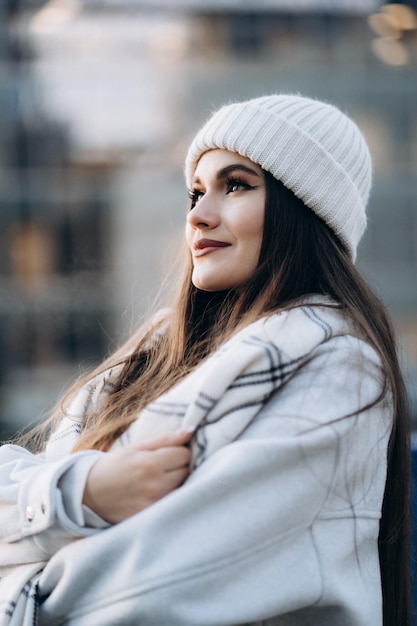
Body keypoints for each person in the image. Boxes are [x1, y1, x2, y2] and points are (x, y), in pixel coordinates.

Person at [0, 94, 411, 626]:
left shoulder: (340, 366)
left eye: (235, 185)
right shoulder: (150, 360)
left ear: (303, 209)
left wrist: (23, 557)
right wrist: (86, 492)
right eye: (195, 191)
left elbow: (147, 589)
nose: (198, 215)